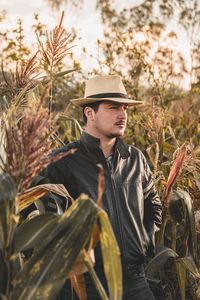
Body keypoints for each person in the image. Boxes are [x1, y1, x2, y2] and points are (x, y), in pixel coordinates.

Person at [40, 75, 162, 299]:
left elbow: (153, 204)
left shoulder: (135, 159)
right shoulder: (62, 162)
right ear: (90, 113)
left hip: (135, 280)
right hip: (88, 285)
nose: (122, 114)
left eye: (124, 108)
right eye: (113, 107)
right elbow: (44, 223)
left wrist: (144, 241)